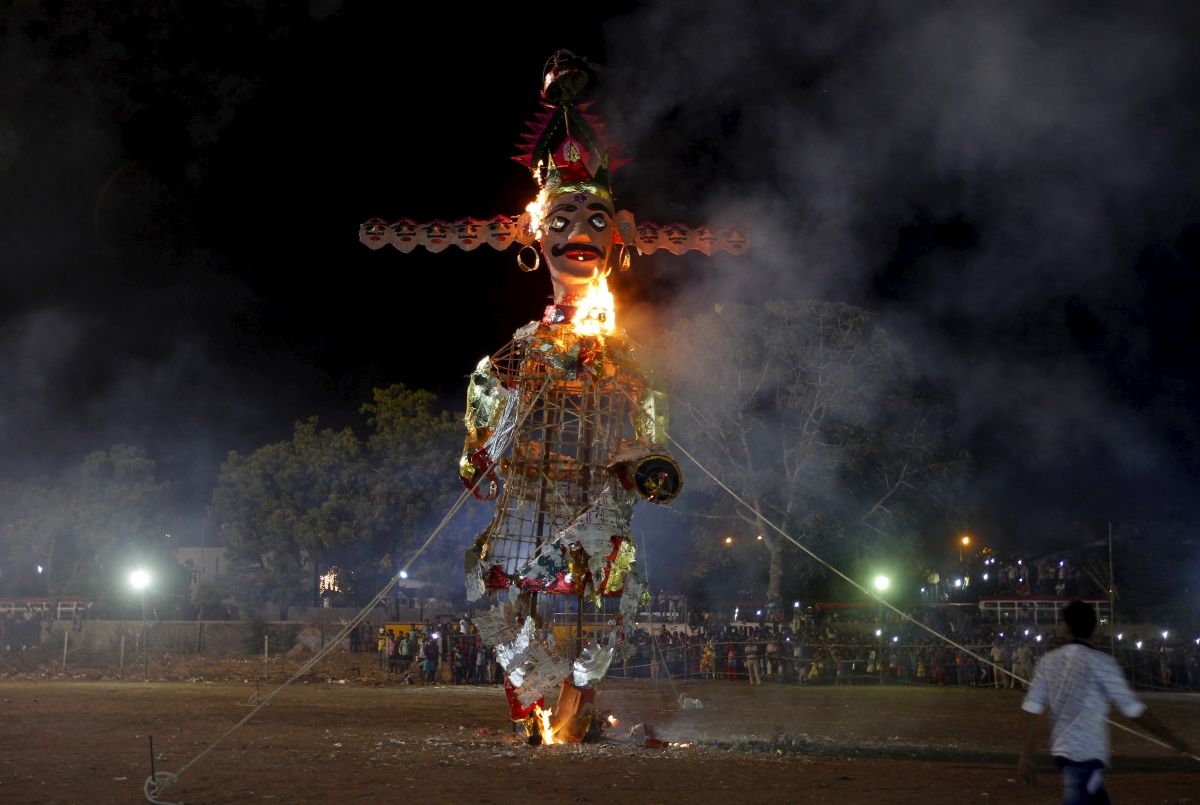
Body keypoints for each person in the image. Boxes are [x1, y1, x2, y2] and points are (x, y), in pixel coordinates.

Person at [1018, 601, 1190, 804]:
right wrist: (1171, 738)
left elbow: (1031, 709)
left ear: (1067, 627)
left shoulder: (1048, 662)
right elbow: (1134, 710)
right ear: (1094, 628)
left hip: (1065, 753)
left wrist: (1025, 755)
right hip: (1087, 757)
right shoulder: (1103, 663)